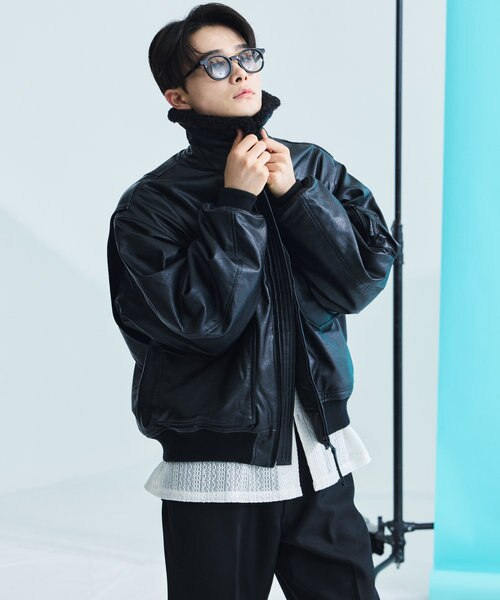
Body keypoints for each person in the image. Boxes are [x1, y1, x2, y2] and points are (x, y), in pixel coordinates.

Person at [106, 3, 400, 598]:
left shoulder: (310, 167)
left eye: (246, 57)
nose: (240, 72)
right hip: (217, 473)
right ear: (177, 97)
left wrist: (296, 197)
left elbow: (361, 281)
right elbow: (201, 326)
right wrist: (236, 204)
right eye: (215, 65)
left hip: (318, 455)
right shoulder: (149, 207)